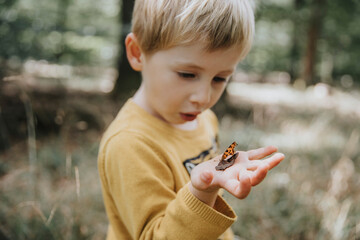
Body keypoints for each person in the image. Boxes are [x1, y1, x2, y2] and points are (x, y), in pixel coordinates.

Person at [97, 0, 285, 239]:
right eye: (187, 74)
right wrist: (202, 191)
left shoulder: (206, 119)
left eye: (220, 78)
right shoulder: (129, 143)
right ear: (137, 53)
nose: (203, 98)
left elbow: (214, 171)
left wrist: (223, 169)